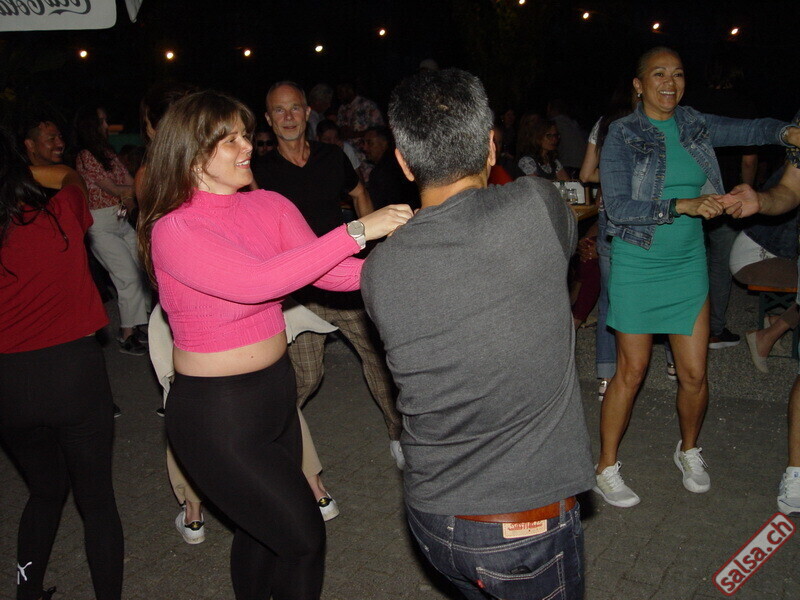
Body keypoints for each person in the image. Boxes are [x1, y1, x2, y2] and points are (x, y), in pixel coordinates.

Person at [137, 89, 411, 598]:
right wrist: (356, 229)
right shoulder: (175, 229)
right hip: (216, 416)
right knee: (304, 538)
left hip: (276, 395)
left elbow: (332, 274)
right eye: (230, 140)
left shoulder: (269, 204)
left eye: (245, 135)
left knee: (260, 534)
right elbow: (258, 282)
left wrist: (411, 261)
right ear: (192, 154)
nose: (248, 146)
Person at [361, 68, 594, 600]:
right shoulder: (538, 205)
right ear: (491, 146)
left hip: (431, 517)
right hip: (521, 526)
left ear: (403, 161)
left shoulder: (378, 270)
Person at [594, 46, 797, 508]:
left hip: (687, 263)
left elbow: (750, 129)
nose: (670, 83)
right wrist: (679, 205)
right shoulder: (623, 133)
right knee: (632, 371)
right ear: (639, 84)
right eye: (659, 74)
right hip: (638, 261)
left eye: (678, 74)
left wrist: (786, 132)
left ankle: (688, 450)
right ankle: (605, 466)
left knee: (694, 373)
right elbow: (619, 207)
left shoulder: (693, 124)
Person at [0, 128, 124, 600]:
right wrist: (31, 171)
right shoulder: (60, 214)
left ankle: (27, 593)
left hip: (9, 386)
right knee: (97, 502)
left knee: (45, 490)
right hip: (72, 375)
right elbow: (73, 179)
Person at [259, 81, 406, 474]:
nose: (288, 117)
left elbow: (359, 194)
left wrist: (369, 245)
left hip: (343, 279)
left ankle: (398, 437)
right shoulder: (260, 171)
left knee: (378, 359)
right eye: (279, 110)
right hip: (298, 290)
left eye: (295, 108)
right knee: (306, 376)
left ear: (308, 112)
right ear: (269, 119)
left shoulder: (331, 156)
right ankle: (270, 444)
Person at [719, 108, 800, 515]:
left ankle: (769, 331)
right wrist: (761, 199)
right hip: (758, 254)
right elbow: (790, 189)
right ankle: (797, 473)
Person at [75, 105, 150, 356]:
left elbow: (129, 181)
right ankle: (126, 334)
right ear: (90, 125)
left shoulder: (107, 153)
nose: (107, 126)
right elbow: (115, 189)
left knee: (142, 268)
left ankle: (139, 325)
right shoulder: (85, 156)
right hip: (101, 224)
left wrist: (141, 186)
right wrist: (141, 190)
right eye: (102, 121)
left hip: (120, 218)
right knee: (127, 275)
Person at [362, 125, 420, 210]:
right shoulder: (402, 162)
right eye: (364, 143)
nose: (365, 148)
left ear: (384, 143)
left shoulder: (381, 172)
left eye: (370, 143)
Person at [547, 98, 587, 176]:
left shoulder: (554, 124)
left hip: (567, 165)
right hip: (581, 165)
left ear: (549, 108)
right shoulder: (573, 123)